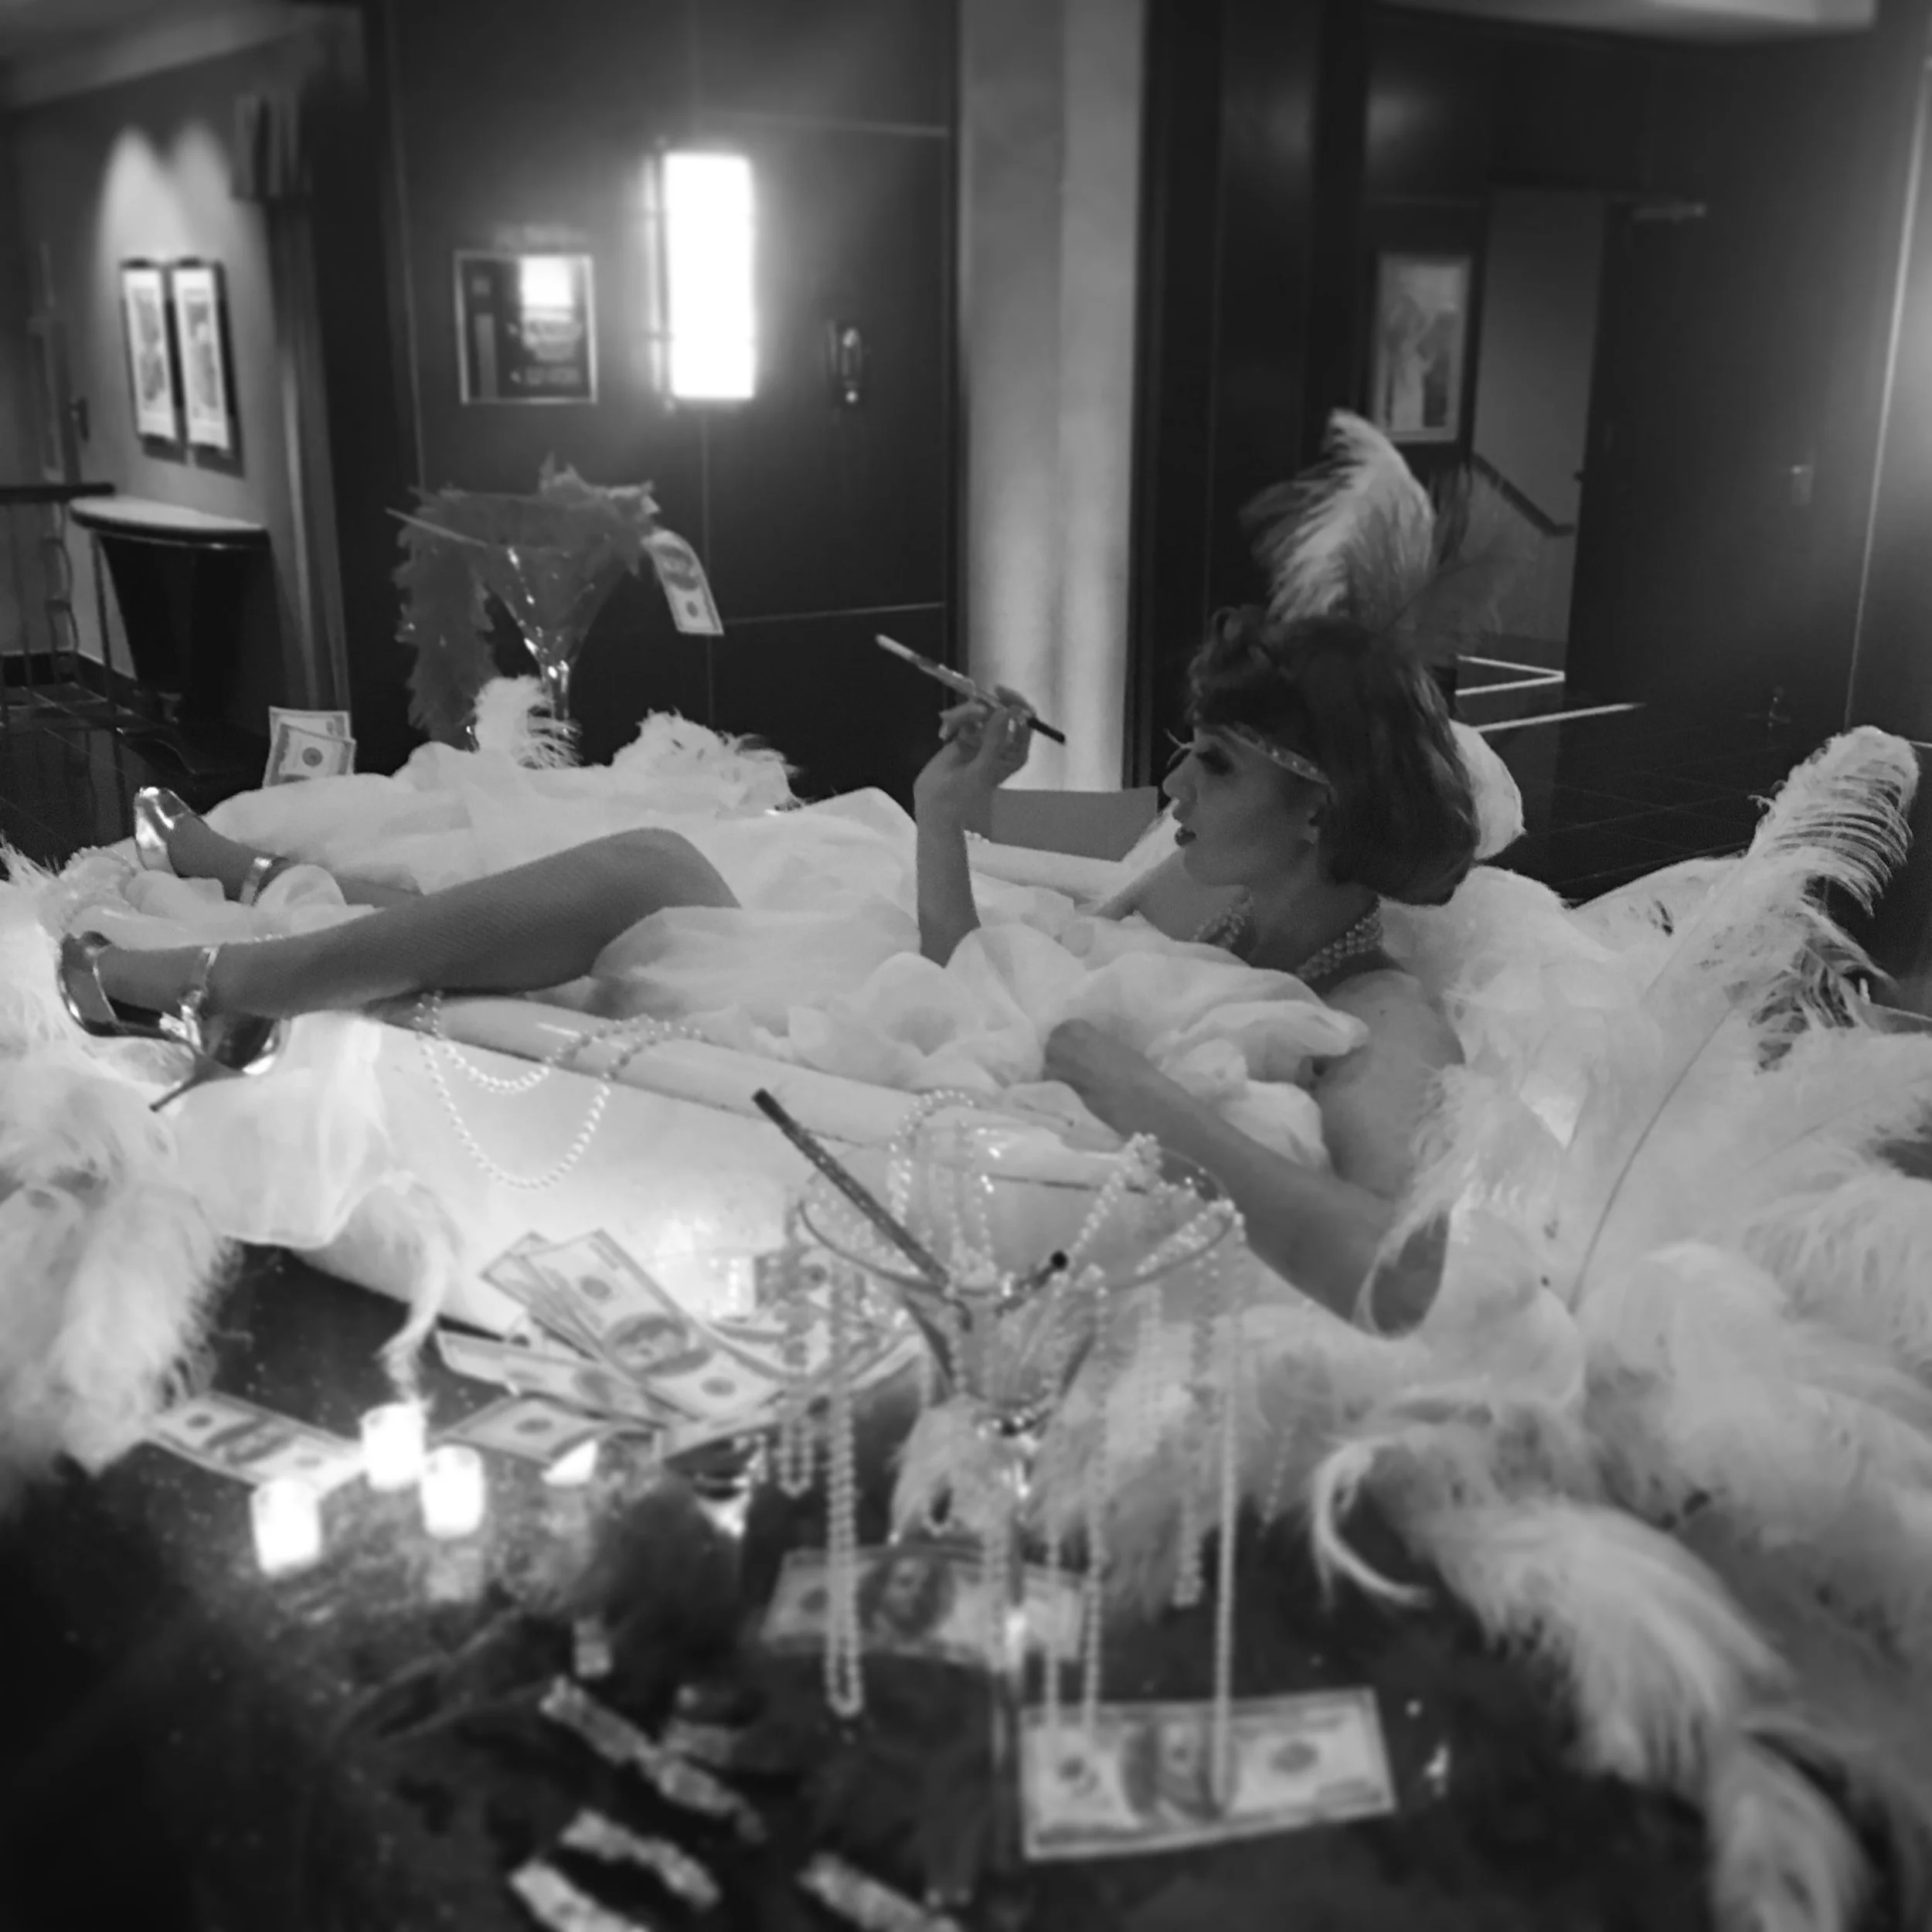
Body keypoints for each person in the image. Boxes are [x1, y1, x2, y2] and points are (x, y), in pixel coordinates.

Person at [60, 607, 1473, 1328]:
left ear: (1318, 812)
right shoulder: (1215, 910)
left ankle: (229, 981)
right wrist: (946, 809)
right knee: (607, 893)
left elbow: (1386, 1273)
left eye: (1211, 763)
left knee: (634, 886)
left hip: (878, 1050)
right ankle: (250, 909)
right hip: (891, 989)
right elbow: (967, 971)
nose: (1168, 784)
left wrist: (1116, 1077)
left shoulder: (1379, 1012)